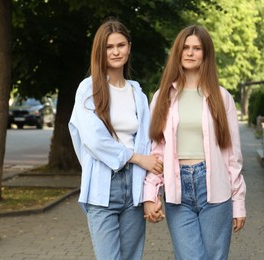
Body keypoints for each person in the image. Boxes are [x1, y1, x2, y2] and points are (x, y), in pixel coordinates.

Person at [143, 25, 246, 260]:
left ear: (205, 54)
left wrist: (238, 203)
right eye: (185, 48)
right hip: (177, 189)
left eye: (196, 48)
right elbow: (156, 151)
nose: (190, 53)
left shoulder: (222, 97)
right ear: (178, 53)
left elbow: (233, 156)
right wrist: (150, 194)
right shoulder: (162, 97)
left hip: (215, 189)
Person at [69, 18, 163, 260]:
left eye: (120, 45)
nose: (115, 51)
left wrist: (151, 191)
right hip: (102, 187)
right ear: (100, 51)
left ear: (129, 47)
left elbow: (149, 144)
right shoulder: (87, 89)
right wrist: (136, 158)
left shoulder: (138, 93)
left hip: (134, 188)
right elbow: (94, 140)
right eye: (109, 47)